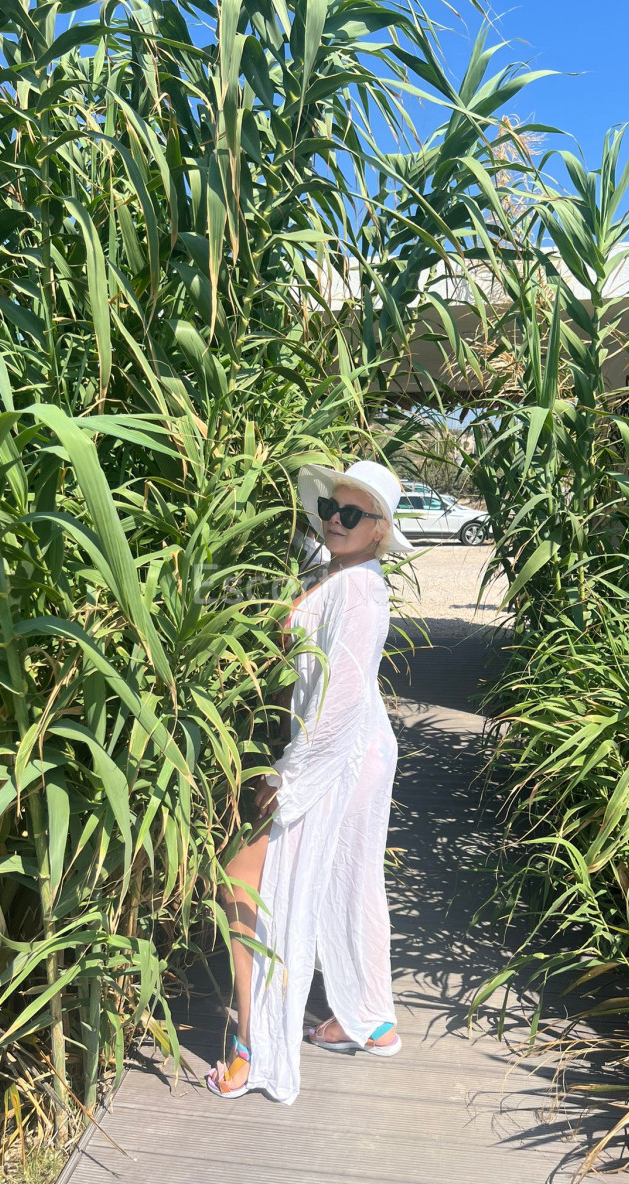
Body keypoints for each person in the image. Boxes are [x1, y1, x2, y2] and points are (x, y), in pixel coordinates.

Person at [206, 460, 414, 1103]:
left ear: (379, 530)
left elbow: (341, 700)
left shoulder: (360, 592)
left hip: (339, 753)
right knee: (350, 879)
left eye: (351, 514)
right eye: (329, 508)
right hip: (354, 750)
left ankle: (255, 1044)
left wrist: (288, 776)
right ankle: (370, 1019)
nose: (334, 520)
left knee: (243, 879)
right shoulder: (341, 572)